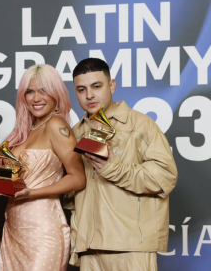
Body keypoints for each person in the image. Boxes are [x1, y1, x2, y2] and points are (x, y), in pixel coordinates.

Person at [68, 58, 178, 270]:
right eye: (81, 89)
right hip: (89, 247)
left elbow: (165, 176)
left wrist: (112, 168)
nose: (89, 95)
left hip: (130, 246)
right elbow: (75, 192)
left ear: (112, 86)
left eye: (96, 86)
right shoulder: (76, 132)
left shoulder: (140, 124)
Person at [0, 64, 86, 271]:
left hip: (43, 231)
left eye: (43, 90)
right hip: (14, 229)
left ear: (56, 94)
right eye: (30, 91)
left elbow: (78, 178)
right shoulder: (23, 132)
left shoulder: (57, 125)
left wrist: (32, 193)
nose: (36, 98)